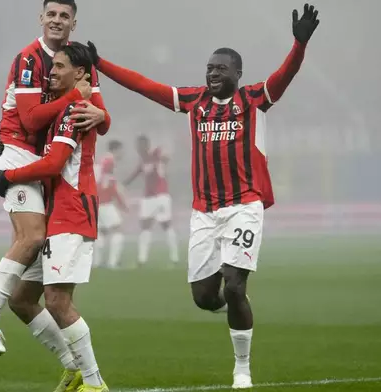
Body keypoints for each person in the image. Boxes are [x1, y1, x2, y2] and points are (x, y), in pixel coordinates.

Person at [86, 4, 320, 388]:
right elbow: (146, 86)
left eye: (220, 69)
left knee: (235, 284)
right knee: (205, 298)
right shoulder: (194, 103)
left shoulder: (254, 99)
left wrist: (299, 43)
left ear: (237, 74)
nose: (212, 73)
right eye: (209, 68)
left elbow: (285, 75)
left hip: (244, 206)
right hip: (204, 214)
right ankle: (234, 300)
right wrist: (102, 64)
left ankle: (241, 368)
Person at [0, 0, 111, 372]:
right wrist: (77, 98)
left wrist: (100, 112)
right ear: (41, 18)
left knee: (25, 258)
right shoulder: (28, 59)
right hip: (19, 156)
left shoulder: (79, 60)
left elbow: (101, 119)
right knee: (30, 238)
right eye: (51, 14)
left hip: (36, 164)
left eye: (64, 16)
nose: (57, 21)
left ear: (74, 23)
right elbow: (30, 117)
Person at [0, 41, 109, 392]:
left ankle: (94, 383)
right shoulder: (64, 106)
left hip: (72, 212)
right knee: (21, 299)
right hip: (54, 212)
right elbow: (28, 122)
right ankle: (73, 367)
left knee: (58, 301)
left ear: (79, 74)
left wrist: (8, 176)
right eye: (52, 65)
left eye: (59, 67)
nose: (52, 72)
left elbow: (55, 163)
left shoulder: (75, 110)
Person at [124, 135, 179, 267]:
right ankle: (142, 259)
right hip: (149, 197)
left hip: (160, 195)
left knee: (165, 225)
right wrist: (124, 184)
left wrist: (164, 158)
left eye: (141, 145)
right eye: (137, 146)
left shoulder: (156, 152)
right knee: (146, 227)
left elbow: (166, 157)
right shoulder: (143, 160)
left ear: (147, 145)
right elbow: (135, 174)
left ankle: (174, 257)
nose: (138, 148)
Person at [93, 139, 127, 269]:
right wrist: (122, 203)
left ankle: (96, 262)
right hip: (104, 202)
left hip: (97, 201)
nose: (122, 154)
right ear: (116, 150)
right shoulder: (110, 161)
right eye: (121, 151)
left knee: (101, 232)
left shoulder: (102, 161)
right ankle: (113, 263)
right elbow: (109, 184)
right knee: (118, 229)